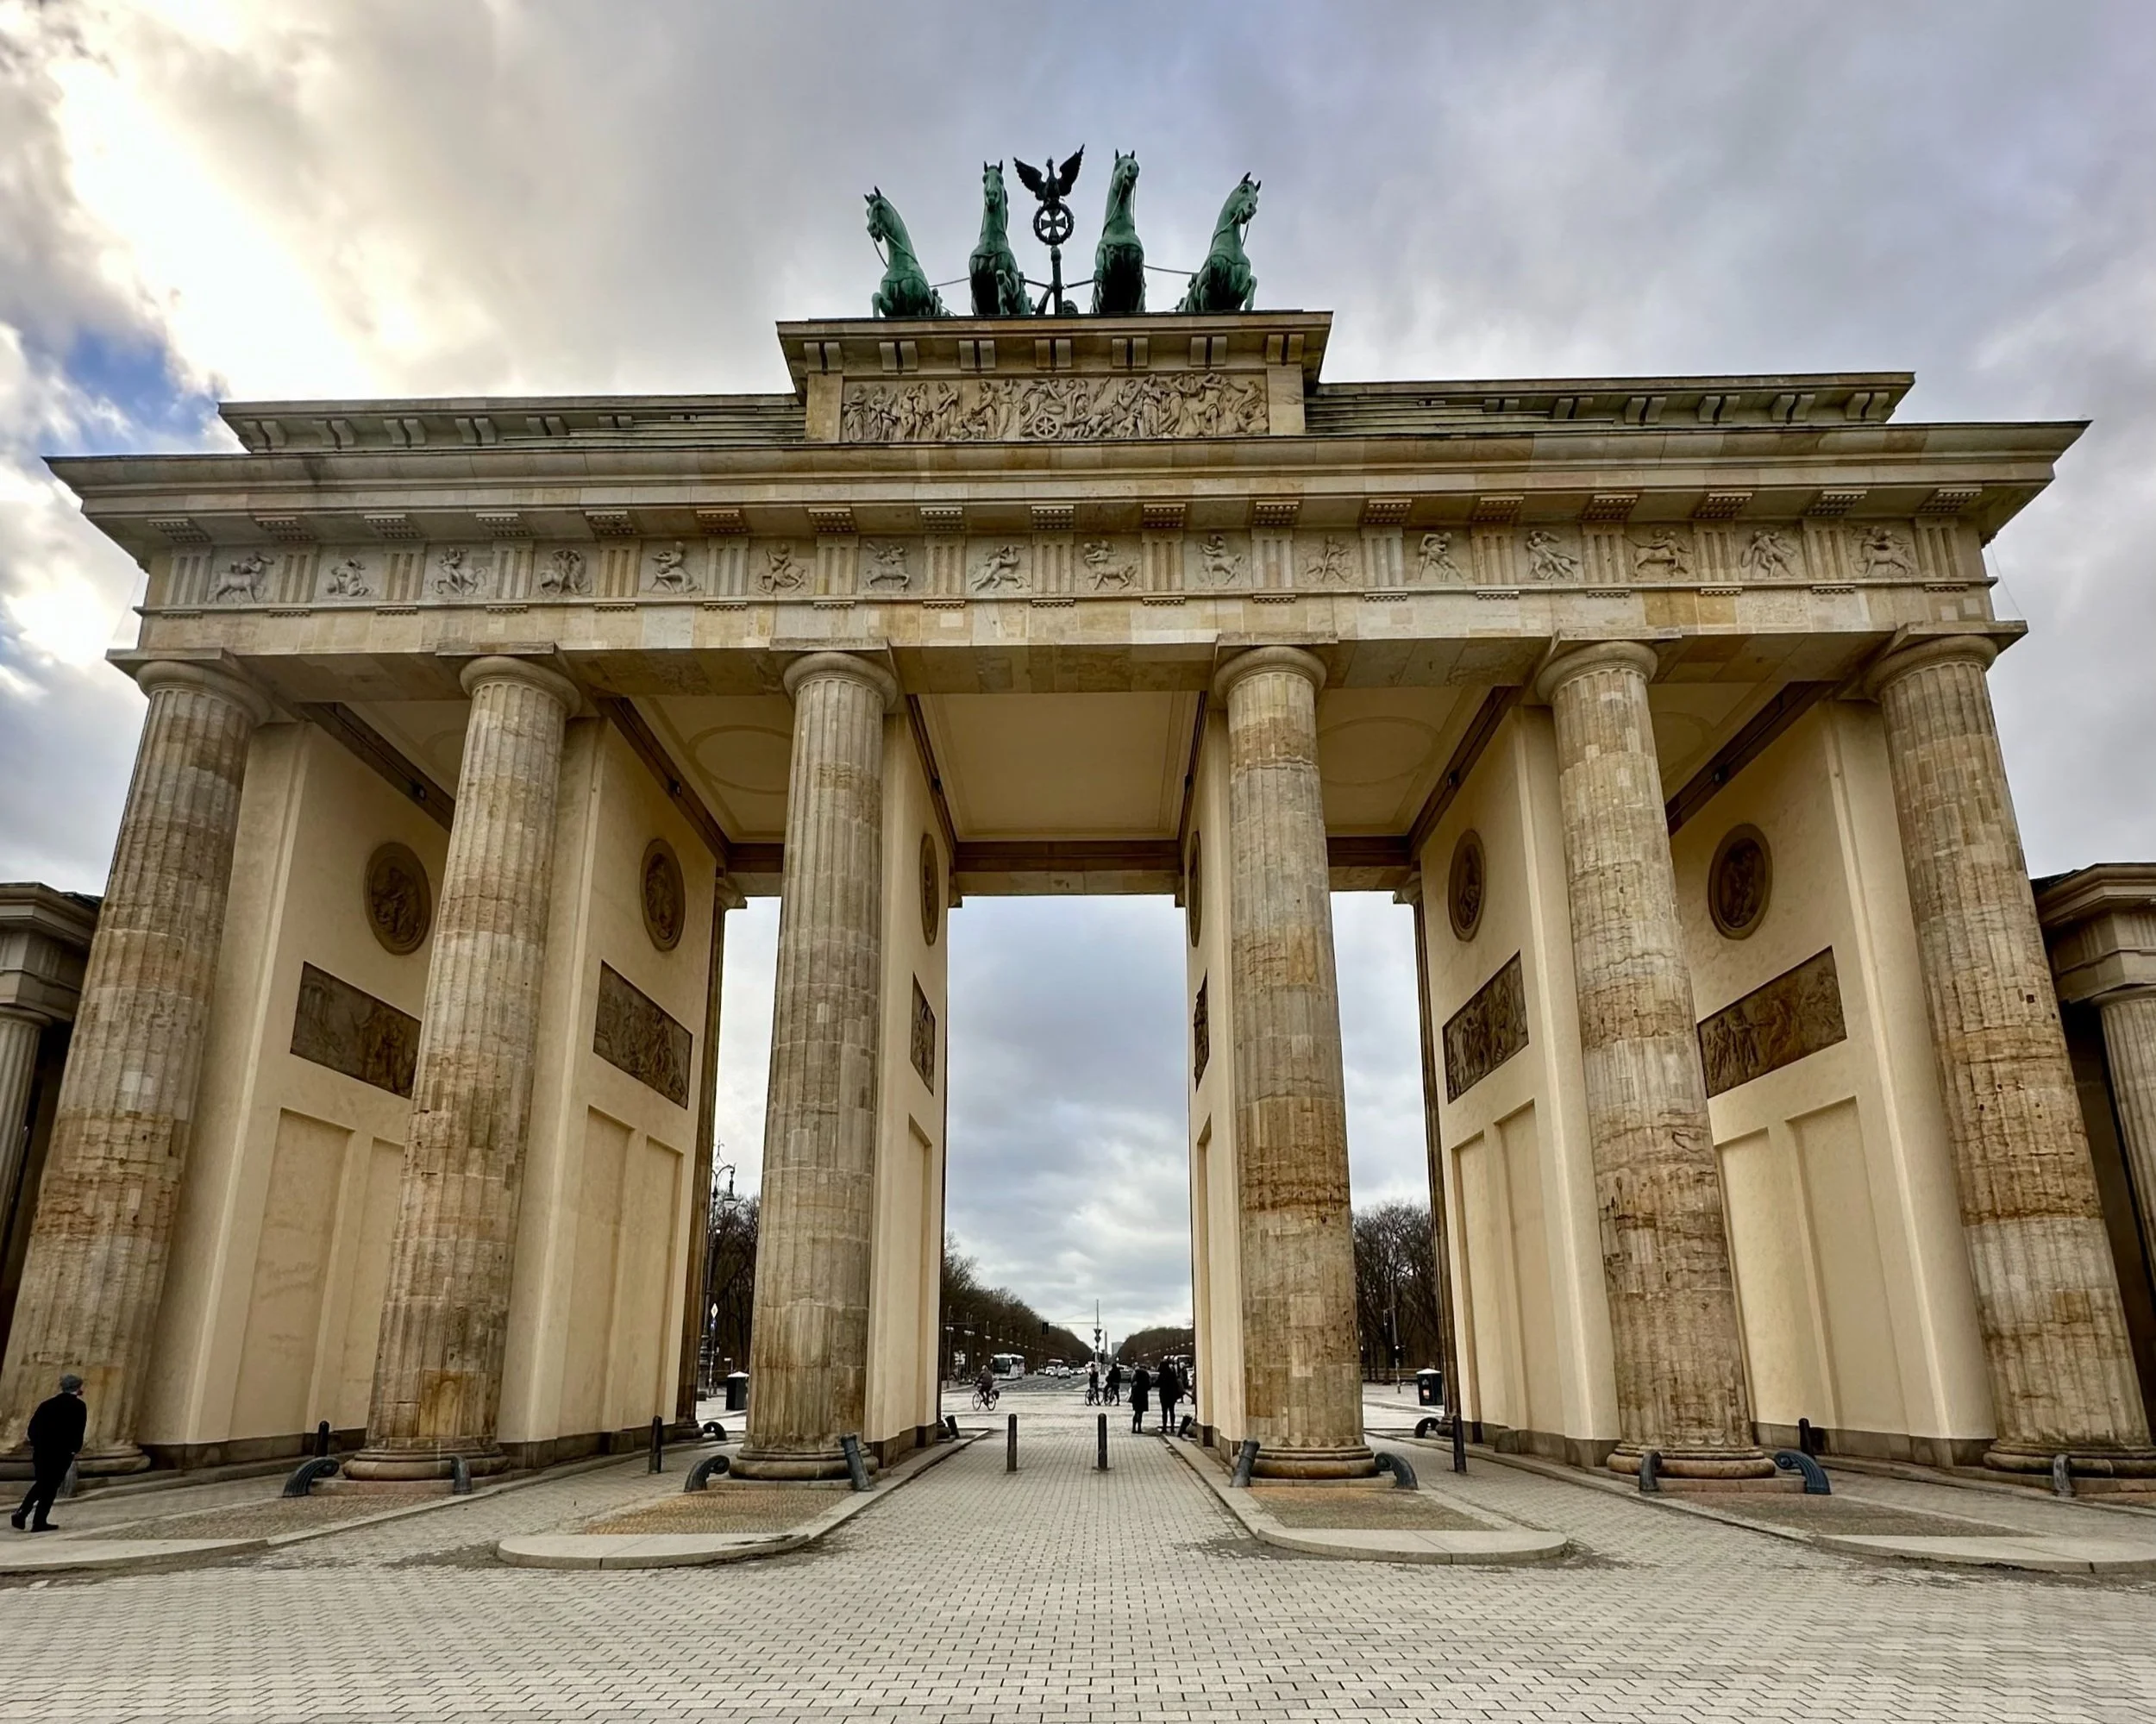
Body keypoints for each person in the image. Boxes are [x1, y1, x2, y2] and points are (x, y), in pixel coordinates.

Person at [11, 1373, 86, 1533]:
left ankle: (35, 1519)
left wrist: (38, 1445)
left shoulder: (47, 1404)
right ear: (78, 1388)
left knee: (44, 1482)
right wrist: (74, 1449)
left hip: (42, 1452)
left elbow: (33, 1428)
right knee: (49, 1485)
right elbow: (77, 1431)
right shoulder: (78, 1406)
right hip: (62, 1453)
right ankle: (27, 1514)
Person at [1157, 1357, 1182, 1435]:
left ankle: (1164, 1427)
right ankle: (1172, 1427)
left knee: (1164, 1412)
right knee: (1172, 1411)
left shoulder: (1162, 1374)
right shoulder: (1172, 1373)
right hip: (1172, 1394)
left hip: (1164, 1394)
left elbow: (1158, 1383)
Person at [1129, 1364, 1151, 1434]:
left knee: (1136, 1412)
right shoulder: (1146, 1374)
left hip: (1136, 1395)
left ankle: (1133, 1428)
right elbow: (1149, 1385)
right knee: (1140, 1413)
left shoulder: (1135, 1373)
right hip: (1143, 1395)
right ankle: (1139, 1428)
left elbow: (1132, 1383)